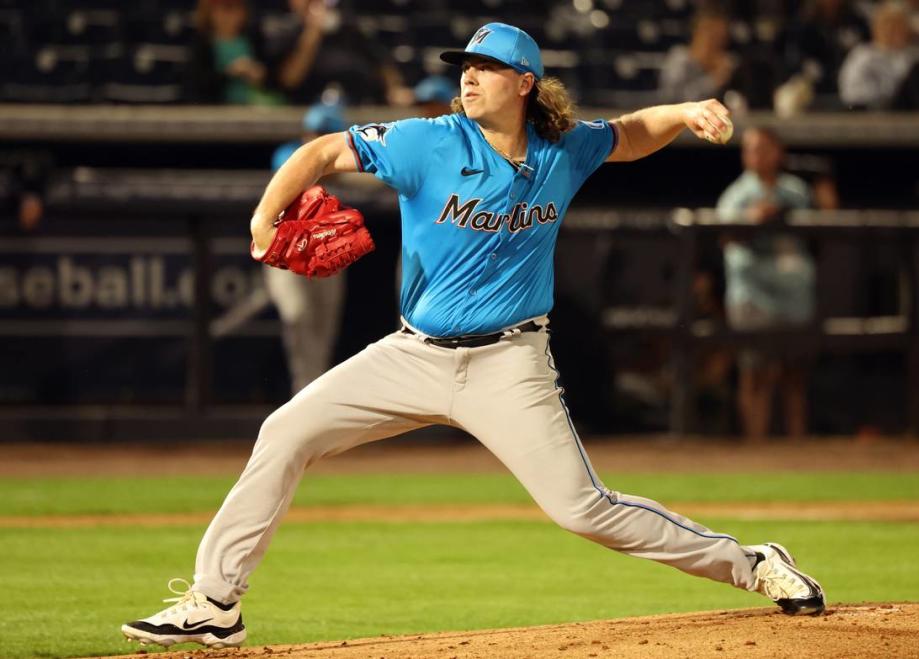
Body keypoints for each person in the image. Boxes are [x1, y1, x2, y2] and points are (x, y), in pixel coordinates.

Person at [121, 23, 825, 650]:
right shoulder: (425, 140)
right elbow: (320, 152)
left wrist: (684, 110)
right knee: (284, 431)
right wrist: (264, 217)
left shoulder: (561, 149)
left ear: (523, 83)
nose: (468, 74)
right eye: (464, 64)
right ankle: (214, 606)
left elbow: (631, 134)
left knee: (583, 510)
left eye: (484, 66)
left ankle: (753, 561)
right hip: (411, 355)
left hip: (508, 362)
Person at [717, 127, 816, 442]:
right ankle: (755, 450)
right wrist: (752, 220)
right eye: (750, 149)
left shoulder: (796, 192)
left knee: (794, 377)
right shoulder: (737, 195)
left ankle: (798, 451)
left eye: (763, 148)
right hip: (754, 295)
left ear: (778, 152)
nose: (756, 155)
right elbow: (723, 238)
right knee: (755, 373)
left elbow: (819, 240)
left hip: (794, 296)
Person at [266, 102, 349, 394]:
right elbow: (301, 179)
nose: (317, 139)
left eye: (326, 133)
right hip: (287, 256)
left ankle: (312, 395)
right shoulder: (289, 156)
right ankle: (303, 394)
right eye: (315, 133)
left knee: (324, 328)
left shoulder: (348, 161)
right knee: (298, 315)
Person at [264, 0, 412, 106]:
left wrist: (394, 89)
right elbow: (290, 79)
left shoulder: (348, 27)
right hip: (310, 114)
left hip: (360, 110)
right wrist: (313, 33)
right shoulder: (283, 30)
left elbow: (381, 61)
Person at [838, 0, 919, 110]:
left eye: (897, 26)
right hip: (877, 109)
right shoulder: (862, 55)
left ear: (906, 30)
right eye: (887, 24)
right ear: (876, 27)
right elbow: (850, 93)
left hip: (911, 108)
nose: (891, 30)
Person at [186, 0, 284, 105]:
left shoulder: (254, 39)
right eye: (223, 10)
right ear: (210, 12)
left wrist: (260, 74)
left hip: (253, 107)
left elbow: (276, 79)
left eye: (234, 10)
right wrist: (230, 73)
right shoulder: (202, 44)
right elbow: (198, 84)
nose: (228, 17)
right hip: (217, 110)